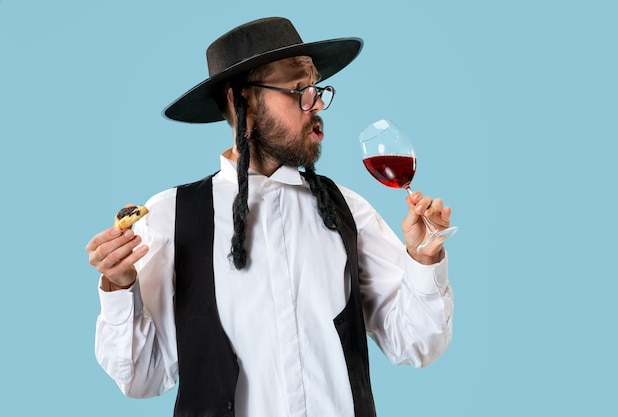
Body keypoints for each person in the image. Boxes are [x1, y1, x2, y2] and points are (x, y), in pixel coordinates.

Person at [86, 17, 454, 417]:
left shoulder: (348, 210)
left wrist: (424, 259)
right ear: (240, 101)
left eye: (316, 89)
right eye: (298, 89)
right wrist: (118, 284)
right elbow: (142, 377)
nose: (315, 105)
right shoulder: (169, 216)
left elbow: (417, 344)